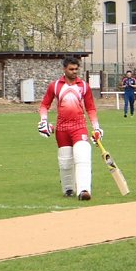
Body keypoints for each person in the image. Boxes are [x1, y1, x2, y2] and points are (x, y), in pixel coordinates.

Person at [38, 56, 103, 201]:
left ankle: (84, 190)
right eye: (71, 69)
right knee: (65, 161)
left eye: (76, 69)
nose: (74, 72)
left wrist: (97, 128)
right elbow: (44, 105)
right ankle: (68, 189)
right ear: (64, 69)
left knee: (83, 156)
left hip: (79, 126)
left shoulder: (84, 86)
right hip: (62, 128)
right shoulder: (55, 86)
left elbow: (91, 108)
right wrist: (43, 121)